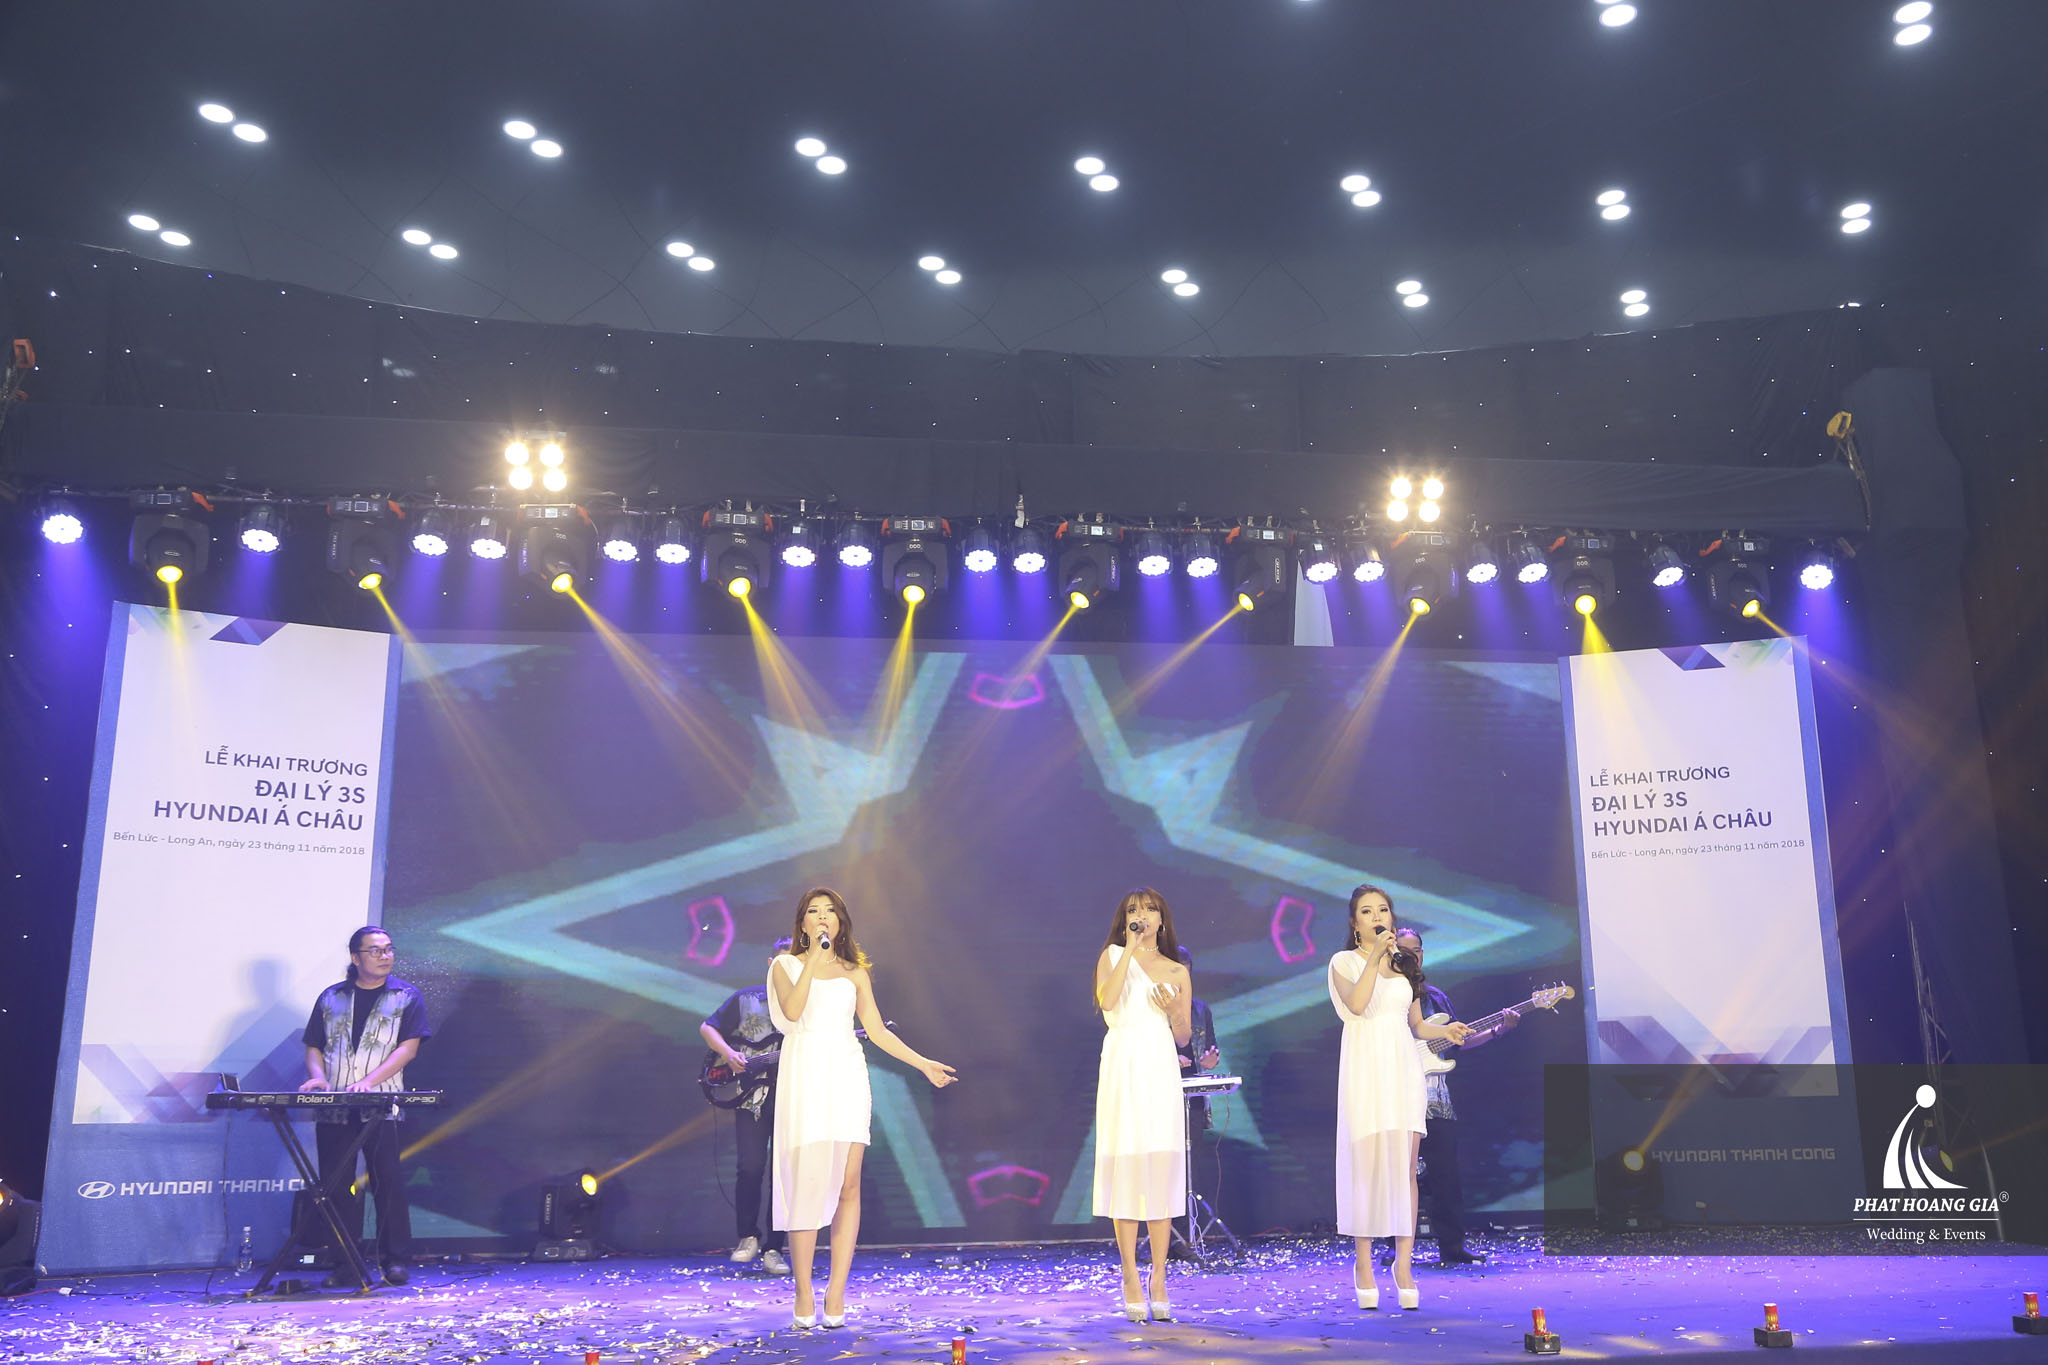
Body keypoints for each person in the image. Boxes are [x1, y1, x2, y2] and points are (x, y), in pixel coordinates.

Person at [767, 888, 956, 1330]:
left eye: (829, 911)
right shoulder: (784, 966)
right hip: (806, 1074)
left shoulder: (855, 972)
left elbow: (877, 1030)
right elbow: (792, 1012)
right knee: (807, 1184)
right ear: (802, 924)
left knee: (848, 1185)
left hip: (847, 1076)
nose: (822, 917)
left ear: (841, 921)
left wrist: (922, 1063)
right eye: (813, 912)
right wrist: (812, 959)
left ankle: (836, 1290)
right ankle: (803, 1289)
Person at [1328, 885, 1471, 1312]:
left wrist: (1444, 1030)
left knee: (1407, 1170)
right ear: (1355, 923)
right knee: (1367, 1168)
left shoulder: (1404, 966)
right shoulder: (1343, 962)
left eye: (1383, 910)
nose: (1377, 917)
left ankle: (1403, 1265)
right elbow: (1357, 1005)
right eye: (1367, 911)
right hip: (1365, 1069)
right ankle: (1364, 1263)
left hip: (1403, 1069)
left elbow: (1415, 1025)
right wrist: (1374, 957)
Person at [298, 925, 432, 1288]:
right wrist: (318, 1077)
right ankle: (345, 1263)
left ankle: (395, 1261)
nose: (385, 956)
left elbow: (408, 1048)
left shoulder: (405, 996)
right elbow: (314, 1045)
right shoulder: (331, 997)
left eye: (388, 949)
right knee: (337, 1185)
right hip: (336, 1105)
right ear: (355, 957)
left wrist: (370, 1081)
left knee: (387, 1181)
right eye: (375, 951)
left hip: (381, 1103)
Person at [1092, 888, 1193, 1323]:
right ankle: (1130, 1274)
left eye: (1150, 909)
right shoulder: (1113, 956)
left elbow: (1184, 1036)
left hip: (1158, 1063)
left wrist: (1174, 1010)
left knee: (1159, 1165)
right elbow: (1107, 1001)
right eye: (1134, 910)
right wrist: (1130, 950)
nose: (1143, 915)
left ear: (1162, 920)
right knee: (1128, 1164)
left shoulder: (1176, 969)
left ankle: (1159, 1276)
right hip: (1122, 1062)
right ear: (1125, 920)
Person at [1394, 926, 1520, 1266]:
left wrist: (1498, 1030)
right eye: (1404, 950)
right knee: (1398, 1175)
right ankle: (1395, 1248)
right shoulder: (1387, 996)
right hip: (1398, 1098)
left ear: (1423, 954)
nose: (1411, 956)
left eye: (1416, 950)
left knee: (1446, 1178)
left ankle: (1452, 1247)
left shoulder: (1436, 997)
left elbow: (1458, 1041)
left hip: (1437, 1100)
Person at [699, 937, 796, 1276]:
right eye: (783, 962)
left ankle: (775, 1248)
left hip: (792, 1097)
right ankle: (747, 1237)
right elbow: (708, 1027)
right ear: (771, 964)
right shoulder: (746, 999)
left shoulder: (809, 1005)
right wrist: (729, 1054)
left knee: (784, 1175)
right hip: (751, 1098)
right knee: (750, 1167)